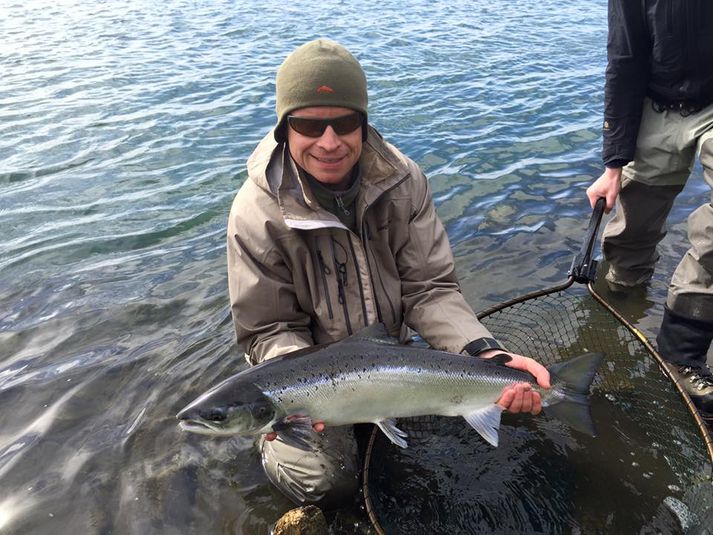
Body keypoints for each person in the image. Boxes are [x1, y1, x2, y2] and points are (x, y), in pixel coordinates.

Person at [227, 38, 550, 507]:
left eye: (344, 122)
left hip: (390, 359)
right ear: (284, 129)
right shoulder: (254, 215)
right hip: (304, 380)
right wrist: (302, 396)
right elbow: (267, 328)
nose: (330, 141)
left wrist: (485, 352)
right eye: (309, 125)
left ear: (363, 122)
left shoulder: (403, 181)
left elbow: (430, 289)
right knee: (325, 483)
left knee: (495, 396)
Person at [586, 1, 713, 413]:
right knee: (630, 235)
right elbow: (624, 60)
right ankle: (620, 301)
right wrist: (613, 163)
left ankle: (680, 354)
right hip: (657, 105)